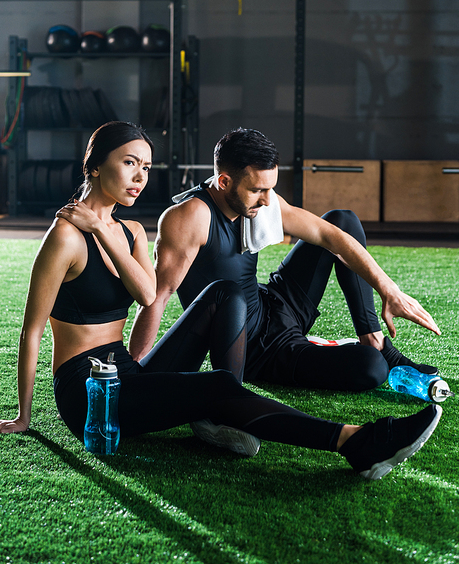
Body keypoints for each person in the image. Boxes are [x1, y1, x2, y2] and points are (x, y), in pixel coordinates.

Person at [0, 121, 442, 482]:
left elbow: (147, 294)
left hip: (126, 371)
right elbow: (32, 330)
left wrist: (106, 234)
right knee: (218, 387)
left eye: (146, 167)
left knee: (223, 295)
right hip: (89, 393)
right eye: (129, 162)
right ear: (94, 166)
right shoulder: (65, 239)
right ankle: (355, 442)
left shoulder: (130, 231)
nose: (139, 176)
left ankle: (227, 407)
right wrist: (23, 418)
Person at [129, 127, 440, 393]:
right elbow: (157, 297)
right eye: (257, 190)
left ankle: (373, 338)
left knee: (342, 220)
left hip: (275, 305)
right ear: (224, 182)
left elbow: (329, 235)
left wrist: (388, 289)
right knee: (370, 369)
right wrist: (134, 374)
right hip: (255, 349)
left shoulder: (260, 200)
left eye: (270, 188)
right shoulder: (189, 218)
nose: (267, 200)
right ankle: (357, 353)